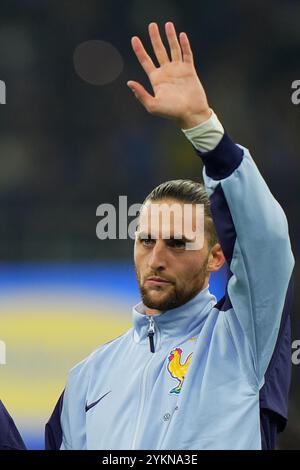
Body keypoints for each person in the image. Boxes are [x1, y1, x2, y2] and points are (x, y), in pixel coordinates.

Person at [45, 22, 294, 450]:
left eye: (178, 243)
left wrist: (203, 128)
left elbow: (267, 243)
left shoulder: (242, 340)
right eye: (146, 240)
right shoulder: (88, 378)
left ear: (217, 258)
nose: (156, 257)